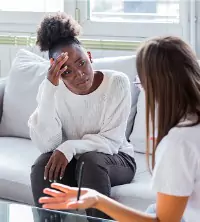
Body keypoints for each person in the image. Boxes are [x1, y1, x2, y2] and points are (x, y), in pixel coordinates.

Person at [39, 36, 200, 222]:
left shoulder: (178, 144)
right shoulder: (188, 131)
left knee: (92, 161)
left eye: (141, 81)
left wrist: (98, 200)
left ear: (157, 85)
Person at [28, 12, 136, 220]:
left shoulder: (117, 83)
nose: (79, 74)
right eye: (66, 71)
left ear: (90, 56)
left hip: (116, 159)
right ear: (56, 72)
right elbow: (47, 145)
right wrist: (50, 88)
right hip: (74, 161)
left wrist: (70, 147)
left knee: (90, 162)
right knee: (42, 165)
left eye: (81, 63)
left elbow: (112, 142)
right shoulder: (50, 89)